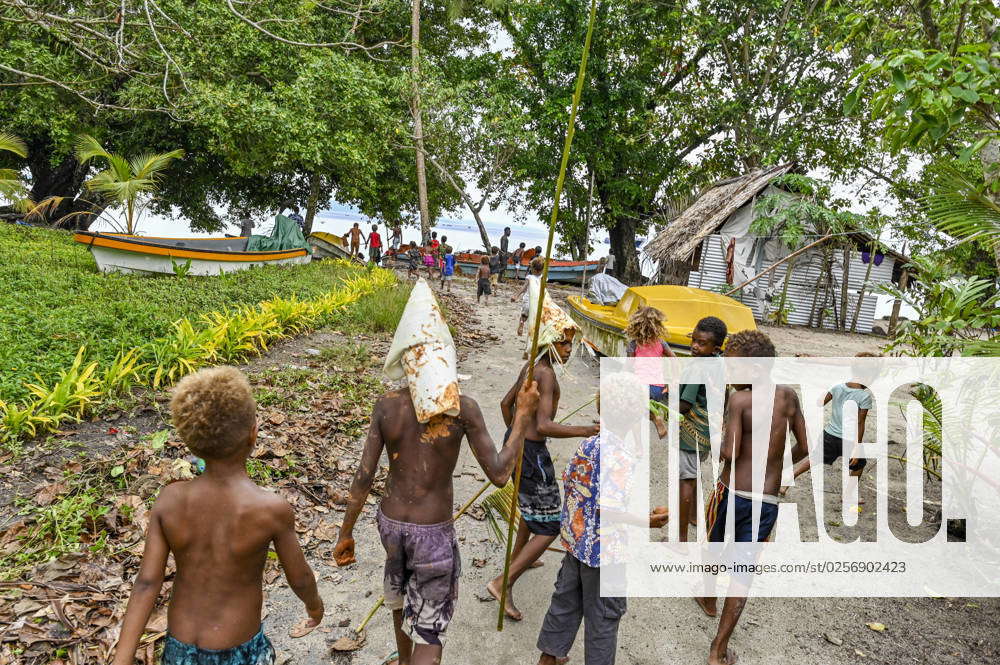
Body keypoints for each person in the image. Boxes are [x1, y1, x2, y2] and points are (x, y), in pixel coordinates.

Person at [334, 283, 541, 665]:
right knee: (429, 626)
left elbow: (363, 477)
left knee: (398, 598)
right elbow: (499, 473)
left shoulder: (387, 406)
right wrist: (524, 417)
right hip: (432, 534)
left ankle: (403, 658)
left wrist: (346, 532)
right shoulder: (463, 408)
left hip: (390, 525)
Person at [111, 367, 323, 665]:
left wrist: (122, 658)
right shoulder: (270, 509)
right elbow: (299, 577)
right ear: (253, 434)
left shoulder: (169, 500)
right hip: (239, 652)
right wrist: (315, 608)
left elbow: (146, 583)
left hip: (180, 650)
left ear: (191, 442)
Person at [537, 379, 669, 665]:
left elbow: (576, 487)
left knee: (564, 606)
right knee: (603, 621)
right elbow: (609, 510)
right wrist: (648, 522)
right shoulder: (620, 456)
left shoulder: (589, 444)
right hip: (604, 555)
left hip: (577, 545)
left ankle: (547, 660)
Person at [697, 330, 808, 665]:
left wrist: (718, 431)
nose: (728, 371)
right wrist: (782, 471)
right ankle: (718, 650)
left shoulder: (740, 400)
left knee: (713, 543)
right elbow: (806, 449)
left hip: (730, 493)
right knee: (743, 573)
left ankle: (707, 597)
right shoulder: (788, 397)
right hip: (766, 502)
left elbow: (728, 454)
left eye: (733, 366)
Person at [488, 296, 599, 622]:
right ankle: (502, 582)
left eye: (571, 343)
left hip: (517, 448)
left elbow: (505, 406)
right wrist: (587, 430)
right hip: (533, 456)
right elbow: (544, 425)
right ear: (550, 341)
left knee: (532, 510)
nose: (568, 349)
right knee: (550, 527)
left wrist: (514, 436)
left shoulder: (531, 366)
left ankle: (522, 555)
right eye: (563, 343)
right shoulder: (546, 374)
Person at [781, 351, 877, 499]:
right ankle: (847, 495)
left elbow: (820, 402)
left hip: (830, 435)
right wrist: (857, 446)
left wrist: (829, 387)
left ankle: (788, 480)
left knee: (814, 460)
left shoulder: (837, 386)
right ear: (868, 376)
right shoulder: (864, 396)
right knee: (859, 466)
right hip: (849, 440)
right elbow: (860, 422)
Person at [676, 316, 728, 539]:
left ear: (715, 347)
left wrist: (658, 410)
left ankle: (680, 538)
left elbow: (684, 405)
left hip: (691, 433)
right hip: (709, 430)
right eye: (694, 340)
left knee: (685, 479)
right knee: (694, 472)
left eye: (702, 343)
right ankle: (695, 516)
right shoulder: (720, 363)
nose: (695, 347)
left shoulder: (697, 367)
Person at [625, 306, 676, 439]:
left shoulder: (634, 344)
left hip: (640, 385)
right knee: (642, 410)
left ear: (636, 325)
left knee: (633, 414)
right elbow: (674, 359)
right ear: (657, 325)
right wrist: (670, 379)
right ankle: (654, 417)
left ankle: (654, 422)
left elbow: (629, 367)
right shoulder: (661, 343)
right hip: (657, 388)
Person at [513, 257, 545, 338]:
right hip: (528, 298)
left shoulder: (543, 278)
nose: (537, 271)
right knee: (525, 312)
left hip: (538, 298)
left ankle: (533, 328)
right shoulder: (530, 277)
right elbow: (523, 288)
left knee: (537, 314)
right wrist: (516, 295)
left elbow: (544, 289)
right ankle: (521, 323)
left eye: (539, 270)